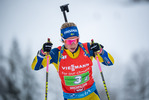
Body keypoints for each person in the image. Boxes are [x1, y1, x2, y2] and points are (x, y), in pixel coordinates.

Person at [31, 22, 114, 100]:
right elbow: (35, 67)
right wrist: (42, 52)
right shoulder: (56, 54)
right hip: (71, 97)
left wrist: (100, 51)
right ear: (62, 40)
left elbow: (109, 62)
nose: (72, 44)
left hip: (91, 95)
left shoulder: (88, 49)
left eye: (75, 40)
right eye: (69, 41)